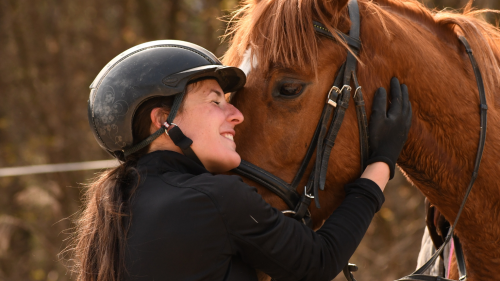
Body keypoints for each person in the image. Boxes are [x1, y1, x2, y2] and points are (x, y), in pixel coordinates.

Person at [73, 40, 412, 281]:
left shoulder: (111, 214)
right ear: (164, 120)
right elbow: (318, 261)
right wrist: (382, 160)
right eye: (216, 100)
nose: (237, 115)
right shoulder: (213, 198)